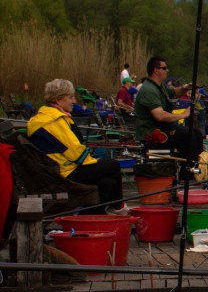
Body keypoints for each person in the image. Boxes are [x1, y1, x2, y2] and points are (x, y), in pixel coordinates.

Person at [27, 79, 128, 215]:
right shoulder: (55, 121)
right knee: (113, 166)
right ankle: (119, 207)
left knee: (108, 184)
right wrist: (95, 162)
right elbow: (76, 154)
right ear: (58, 99)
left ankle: (88, 218)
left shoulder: (44, 117)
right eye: (70, 97)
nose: (74, 101)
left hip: (54, 171)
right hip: (63, 173)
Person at [134, 57, 194, 153]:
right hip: (151, 132)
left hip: (163, 128)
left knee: (195, 133)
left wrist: (186, 87)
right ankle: (187, 165)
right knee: (189, 135)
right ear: (156, 70)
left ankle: (190, 164)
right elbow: (160, 116)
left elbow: (174, 93)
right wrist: (183, 114)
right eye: (164, 68)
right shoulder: (149, 90)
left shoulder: (160, 85)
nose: (167, 70)